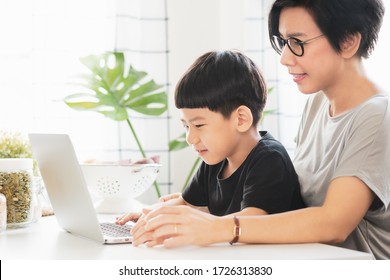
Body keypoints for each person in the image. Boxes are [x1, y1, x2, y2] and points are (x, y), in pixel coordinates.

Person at [135, 0, 390, 259]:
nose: (285, 58)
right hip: (308, 260)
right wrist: (171, 215)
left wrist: (218, 227)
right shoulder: (318, 103)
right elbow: (297, 200)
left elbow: (333, 224)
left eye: (297, 42)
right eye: (283, 42)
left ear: (348, 41)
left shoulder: (379, 115)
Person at [117, 50, 305, 246]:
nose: (190, 137)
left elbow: (251, 219)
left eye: (198, 125)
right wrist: (149, 217)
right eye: (186, 126)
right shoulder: (216, 159)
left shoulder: (269, 159)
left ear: (241, 119)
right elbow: (185, 203)